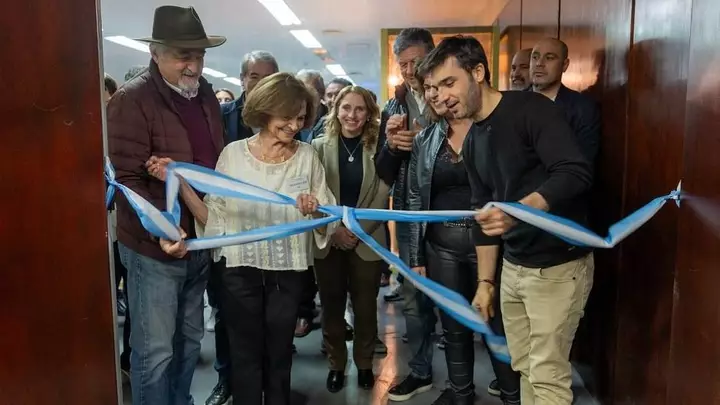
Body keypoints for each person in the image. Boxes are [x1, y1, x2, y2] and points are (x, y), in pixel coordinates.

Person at [418, 35, 594, 405]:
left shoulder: (531, 109)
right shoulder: (473, 141)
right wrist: (486, 283)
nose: (441, 96)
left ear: (478, 72)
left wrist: (519, 210)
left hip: (556, 268)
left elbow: (574, 172)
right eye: (435, 88)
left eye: (449, 83)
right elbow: (482, 214)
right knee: (524, 367)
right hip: (513, 268)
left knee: (547, 376)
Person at [152, 72, 337, 405]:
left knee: (279, 355)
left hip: (287, 271)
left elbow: (327, 218)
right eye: (287, 117)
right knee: (244, 356)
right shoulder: (233, 155)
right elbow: (215, 219)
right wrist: (181, 184)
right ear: (265, 111)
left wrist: (315, 209)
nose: (294, 125)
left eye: (300, 118)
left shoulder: (307, 156)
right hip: (238, 270)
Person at [107, 6, 226, 405]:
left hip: (199, 243)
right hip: (153, 250)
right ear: (155, 54)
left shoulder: (205, 94)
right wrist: (160, 232)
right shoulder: (131, 100)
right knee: (155, 352)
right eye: (183, 56)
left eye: (199, 55)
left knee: (189, 341)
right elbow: (125, 182)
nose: (194, 66)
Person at [407, 69, 520, 405]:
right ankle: (461, 395)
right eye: (428, 88)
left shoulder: (494, 130)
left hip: (494, 245)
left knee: (497, 326)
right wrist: (416, 256)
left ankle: (513, 397)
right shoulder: (425, 140)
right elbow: (414, 197)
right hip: (441, 247)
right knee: (454, 327)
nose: (434, 94)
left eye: (441, 85)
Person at [311, 85, 390, 393]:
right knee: (331, 307)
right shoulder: (318, 147)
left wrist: (356, 231)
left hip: (367, 239)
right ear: (336, 110)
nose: (352, 115)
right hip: (328, 238)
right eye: (346, 107)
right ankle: (336, 365)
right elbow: (314, 194)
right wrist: (334, 231)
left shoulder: (379, 148)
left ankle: (365, 363)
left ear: (369, 114)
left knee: (366, 307)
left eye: (359, 109)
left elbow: (382, 193)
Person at [377, 28, 438, 402]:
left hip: (450, 213)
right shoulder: (393, 107)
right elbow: (383, 171)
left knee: (459, 294)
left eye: (418, 61)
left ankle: (471, 380)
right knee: (414, 298)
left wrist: (427, 140)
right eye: (403, 64)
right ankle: (420, 370)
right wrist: (390, 146)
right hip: (409, 215)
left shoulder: (450, 96)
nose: (411, 70)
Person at [221, 50, 279, 143]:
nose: (260, 83)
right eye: (254, 77)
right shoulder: (223, 114)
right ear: (242, 79)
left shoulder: (287, 115)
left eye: (267, 77)